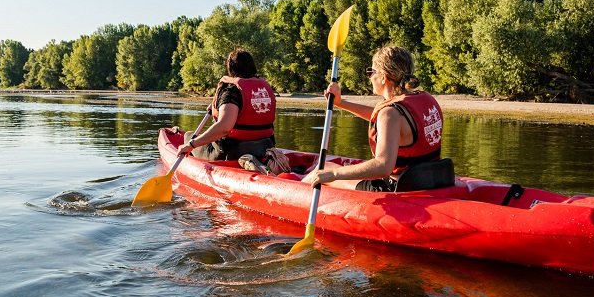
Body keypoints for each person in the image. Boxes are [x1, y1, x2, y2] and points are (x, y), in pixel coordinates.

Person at [302, 45, 444, 191]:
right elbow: (389, 123)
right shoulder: (426, 99)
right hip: (430, 180)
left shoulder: (391, 113)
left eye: (371, 72)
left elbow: (383, 166)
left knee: (324, 168)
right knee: (327, 169)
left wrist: (334, 173)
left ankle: (293, 190)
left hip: (396, 187)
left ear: (383, 77)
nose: (369, 77)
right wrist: (341, 103)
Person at [176, 48, 276, 161]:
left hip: (232, 151)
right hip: (264, 146)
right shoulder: (264, 89)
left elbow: (224, 127)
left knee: (188, 136)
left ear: (230, 68)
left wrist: (191, 145)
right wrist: (220, 104)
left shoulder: (232, 91)